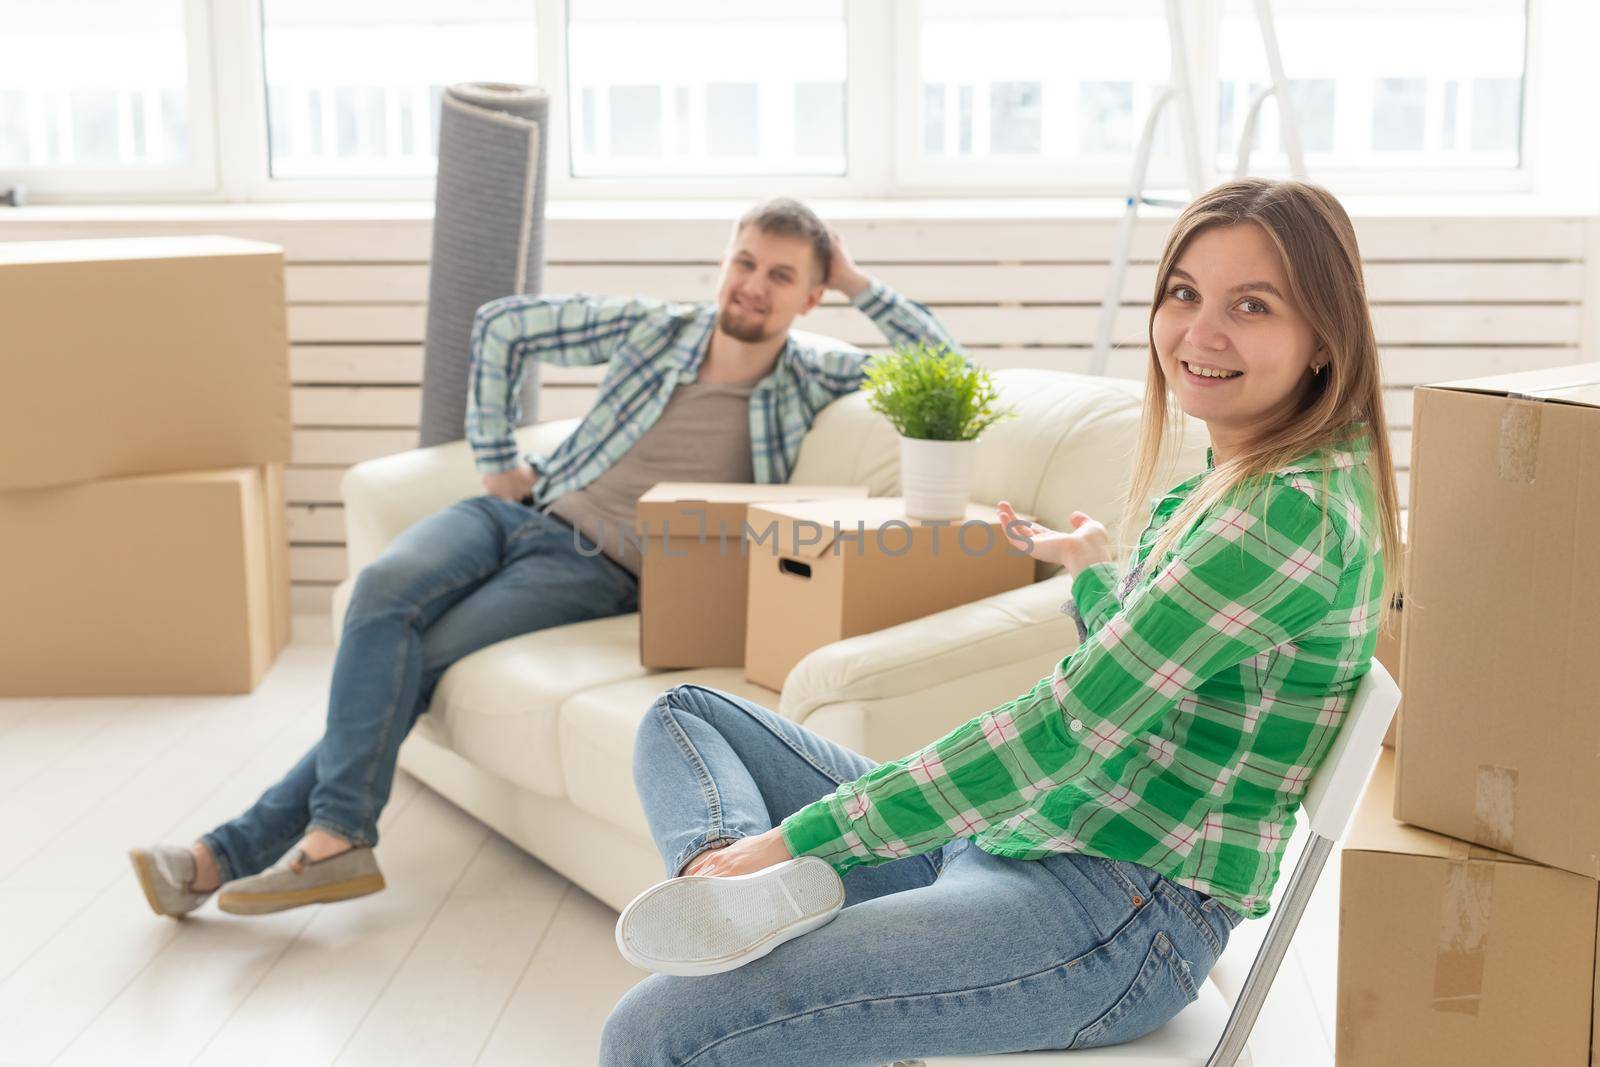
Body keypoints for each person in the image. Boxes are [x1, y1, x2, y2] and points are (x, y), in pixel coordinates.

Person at [601, 178, 1403, 1065]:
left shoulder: (1283, 517)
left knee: (654, 1032)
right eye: (1184, 293)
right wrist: (1100, 574)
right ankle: (735, 902)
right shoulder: (1246, 481)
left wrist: (796, 837)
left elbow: (1063, 727)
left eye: (1251, 306)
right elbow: (1161, 652)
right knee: (687, 713)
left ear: (1326, 334)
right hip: (1033, 838)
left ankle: (749, 884)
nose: (1200, 333)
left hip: (1113, 912)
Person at [128, 198, 962, 919]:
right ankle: (333, 834)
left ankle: (226, 853)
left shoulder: (813, 374)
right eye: (745, 260)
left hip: (593, 566)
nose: (753, 283)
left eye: (782, 275)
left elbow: (942, 369)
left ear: (812, 295)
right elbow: (501, 324)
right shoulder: (655, 327)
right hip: (512, 511)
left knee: (422, 658)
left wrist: (859, 282)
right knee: (378, 592)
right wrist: (495, 456)